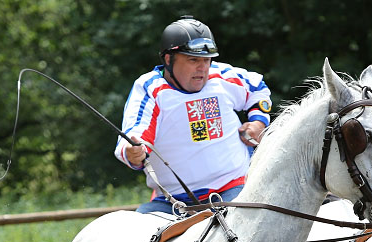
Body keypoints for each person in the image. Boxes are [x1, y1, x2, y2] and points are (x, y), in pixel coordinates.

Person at [114, 15, 271, 214]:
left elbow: (258, 89)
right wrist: (133, 152)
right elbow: (135, 137)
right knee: (134, 236)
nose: (202, 68)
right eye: (193, 60)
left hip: (234, 188)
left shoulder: (222, 76)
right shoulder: (151, 89)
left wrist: (258, 122)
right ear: (169, 59)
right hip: (172, 201)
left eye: (207, 60)